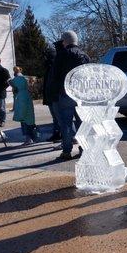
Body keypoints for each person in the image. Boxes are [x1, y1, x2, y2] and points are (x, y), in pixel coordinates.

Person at [51, 31, 89, 160]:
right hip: (81, 94)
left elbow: (55, 76)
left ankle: (66, 151)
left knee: (66, 123)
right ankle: (84, 149)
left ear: (65, 41)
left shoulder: (61, 55)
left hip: (66, 93)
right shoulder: (84, 55)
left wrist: (56, 91)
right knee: (82, 123)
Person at [10, 66, 39, 145]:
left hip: (20, 98)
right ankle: (33, 137)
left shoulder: (15, 80)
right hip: (27, 97)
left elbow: (13, 87)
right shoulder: (25, 78)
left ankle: (28, 138)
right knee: (29, 117)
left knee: (23, 118)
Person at [43, 43, 61, 142]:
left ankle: (61, 135)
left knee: (58, 117)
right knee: (55, 117)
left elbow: (52, 83)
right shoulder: (49, 67)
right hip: (51, 95)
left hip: (54, 95)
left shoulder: (53, 66)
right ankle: (57, 133)